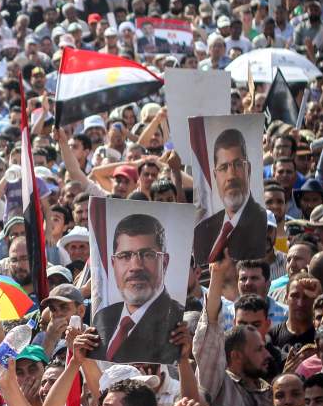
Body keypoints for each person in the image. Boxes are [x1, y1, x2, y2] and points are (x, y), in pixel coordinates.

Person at [93, 213, 184, 364]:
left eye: (147, 254)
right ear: (113, 263)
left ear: (165, 262)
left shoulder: (179, 323)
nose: (135, 266)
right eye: (125, 256)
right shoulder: (103, 317)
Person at [194, 128, 270, 263]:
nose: (231, 176)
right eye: (223, 168)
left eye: (238, 165)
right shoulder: (201, 231)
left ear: (249, 169)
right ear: (215, 176)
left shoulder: (264, 224)